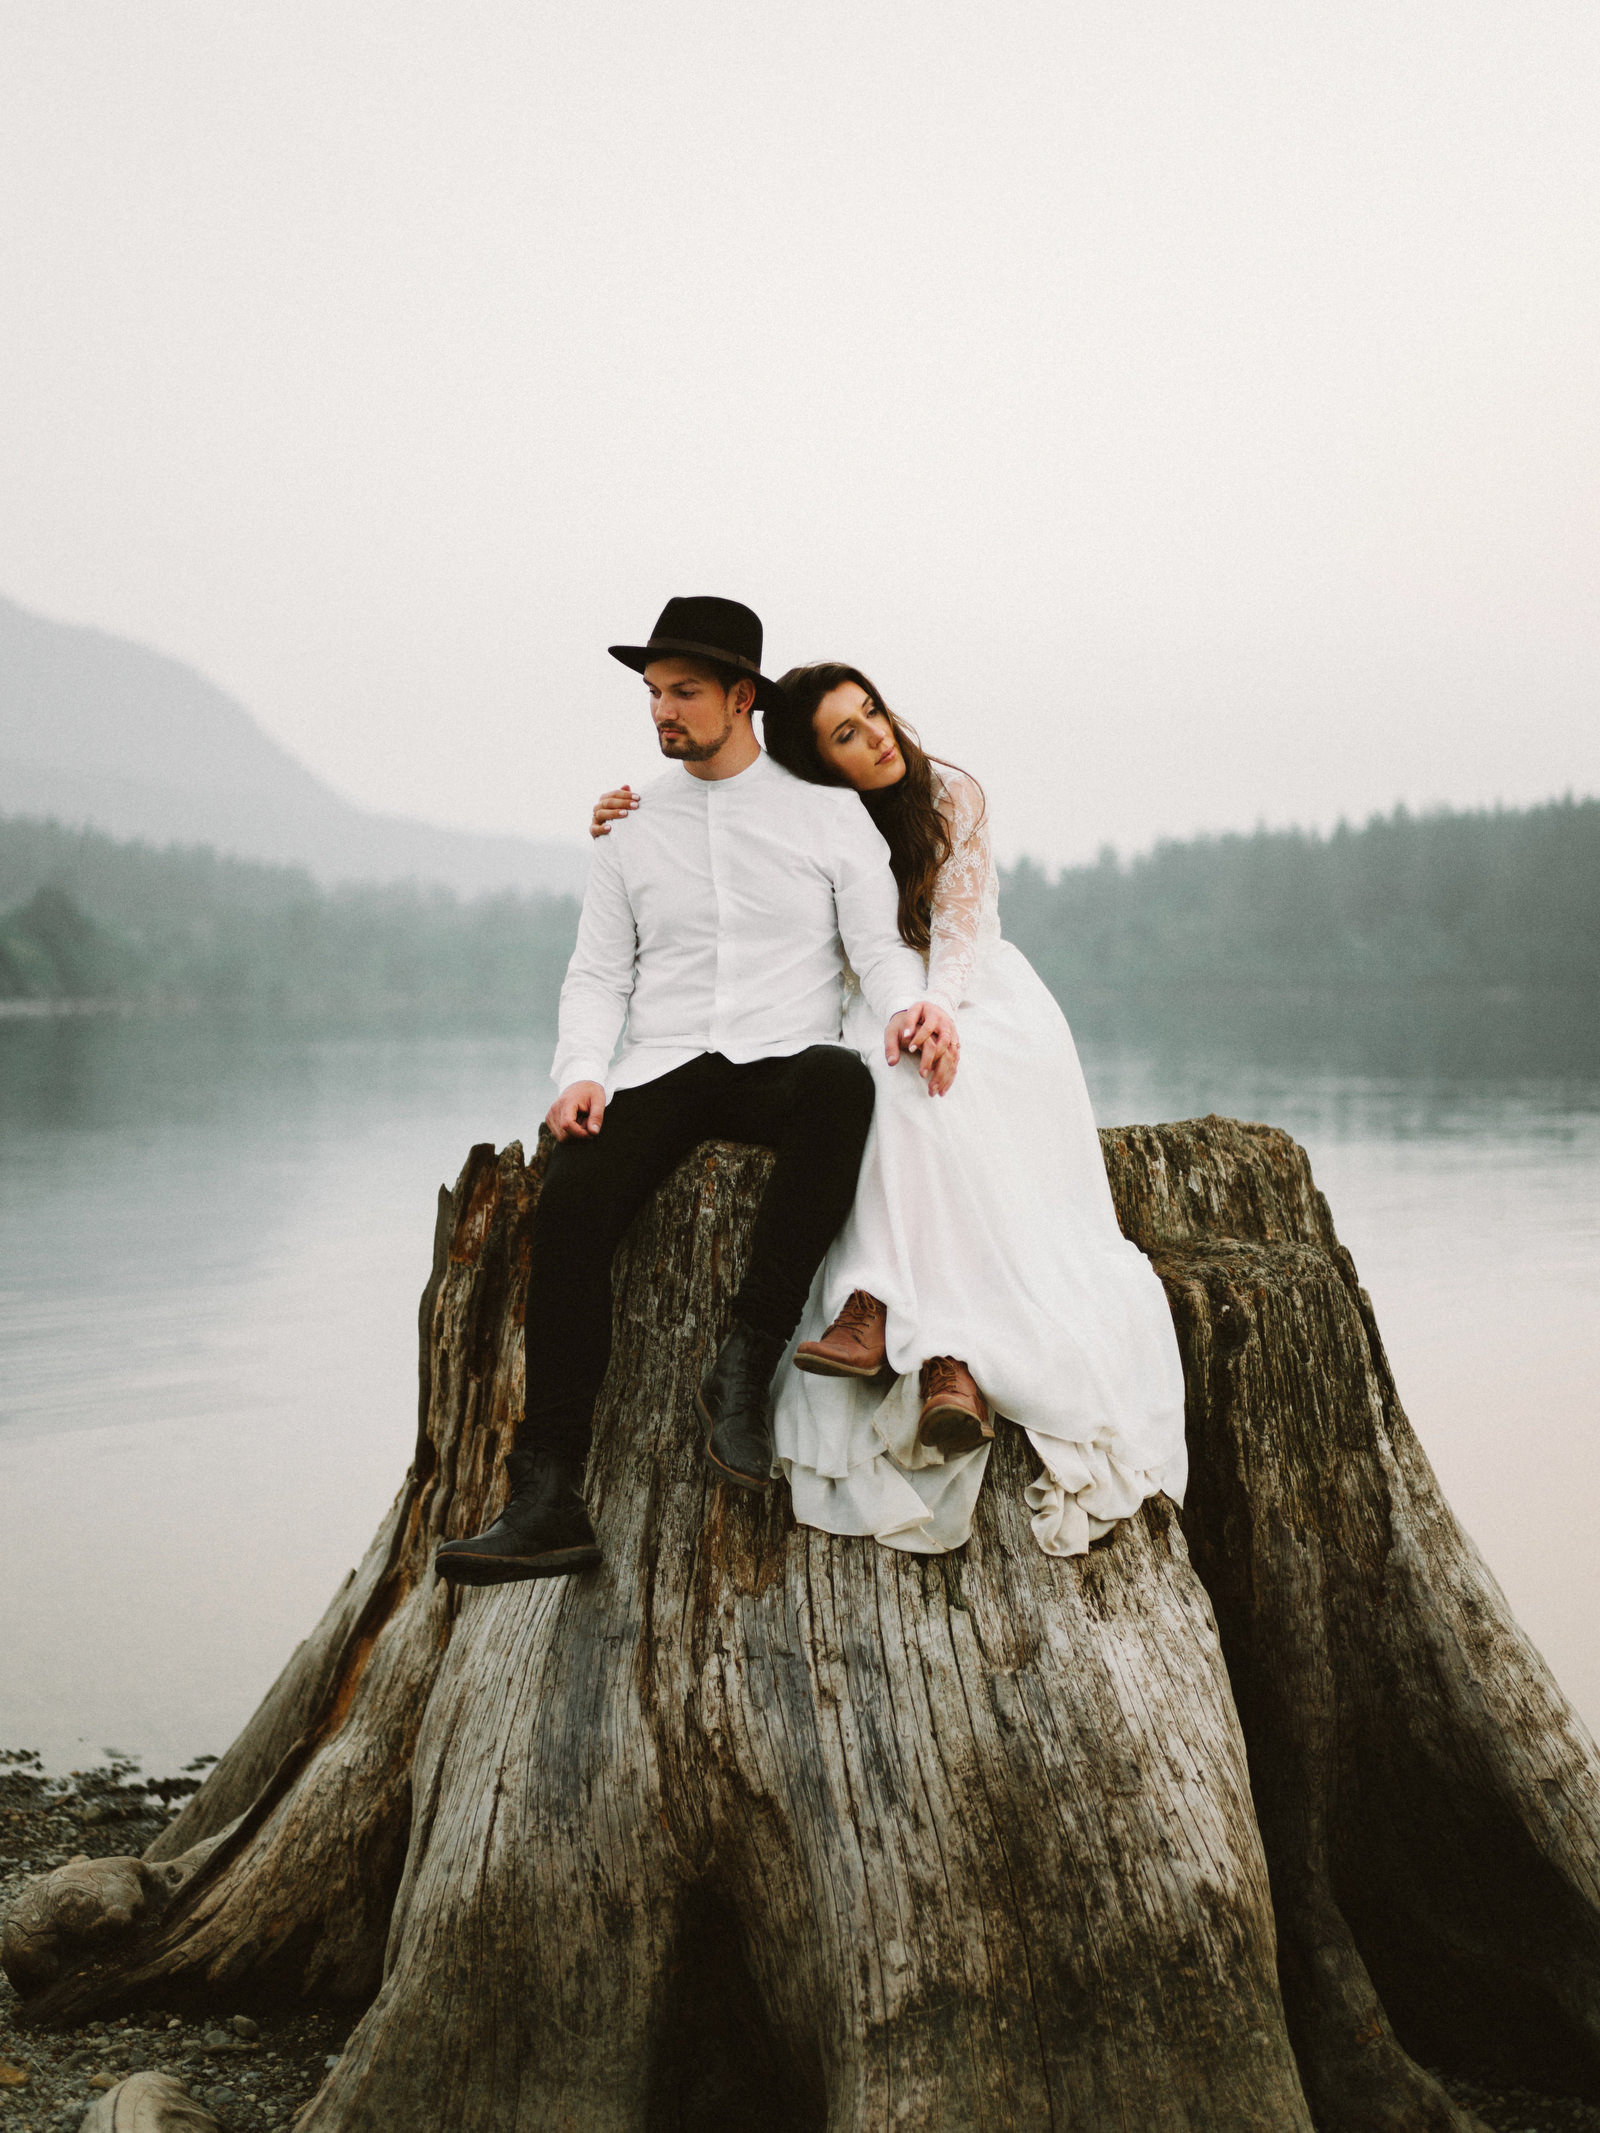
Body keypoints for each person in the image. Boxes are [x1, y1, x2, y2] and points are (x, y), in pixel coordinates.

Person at [589, 664, 1186, 1558]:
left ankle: (941, 1349)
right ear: (819, 765)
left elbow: (956, 928)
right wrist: (623, 809)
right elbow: (719, 830)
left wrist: (937, 1011)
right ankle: (881, 1314)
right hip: (880, 998)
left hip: (978, 994)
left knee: (933, 1087)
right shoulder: (812, 814)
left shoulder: (954, 792)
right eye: (844, 734)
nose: (875, 735)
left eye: (871, 712)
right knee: (883, 1088)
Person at [435, 603, 958, 1586]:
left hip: (781, 1061)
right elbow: (598, 972)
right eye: (652, 694)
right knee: (572, 1201)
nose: (662, 712)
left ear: (741, 698)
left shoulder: (823, 814)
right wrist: (580, 1072)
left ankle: (743, 1365)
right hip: (663, 1067)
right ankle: (546, 1496)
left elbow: (879, 947)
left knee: (842, 1088)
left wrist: (907, 1009)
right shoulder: (631, 821)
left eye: (682, 693)